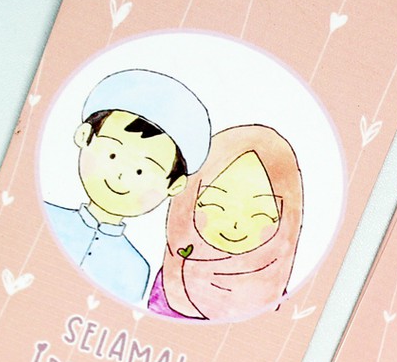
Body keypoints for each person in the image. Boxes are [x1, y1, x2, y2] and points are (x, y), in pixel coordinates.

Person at [45, 69, 211, 303]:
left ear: (174, 185)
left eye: (141, 171)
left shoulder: (136, 271)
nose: (122, 175)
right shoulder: (44, 217)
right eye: (112, 155)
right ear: (84, 136)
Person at [147, 124, 303, 321]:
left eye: (259, 215)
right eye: (215, 205)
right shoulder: (170, 282)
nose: (235, 224)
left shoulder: (278, 305)